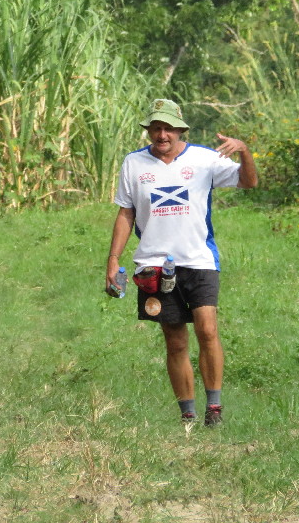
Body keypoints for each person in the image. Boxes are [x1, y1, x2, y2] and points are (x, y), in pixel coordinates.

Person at [105, 98, 258, 427]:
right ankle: (187, 413)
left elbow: (249, 182)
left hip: (199, 259)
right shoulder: (134, 163)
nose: (162, 135)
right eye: (156, 128)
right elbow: (126, 213)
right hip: (153, 265)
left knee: (207, 330)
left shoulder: (205, 159)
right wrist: (113, 259)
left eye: (169, 128)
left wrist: (244, 151)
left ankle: (214, 408)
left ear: (180, 130)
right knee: (175, 341)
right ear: (149, 131)